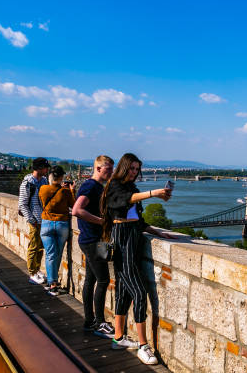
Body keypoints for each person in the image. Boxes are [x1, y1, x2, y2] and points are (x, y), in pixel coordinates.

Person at [100, 153, 176, 365]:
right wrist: (153, 193)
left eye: (136, 169)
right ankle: (143, 346)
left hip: (133, 236)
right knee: (140, 294)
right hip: (122, 239)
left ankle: (118, 338)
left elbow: (137, 219)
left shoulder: (132, 188)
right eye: (131, 168)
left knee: (124, 292)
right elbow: (124, 202)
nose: (134, 172)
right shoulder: (114, 185)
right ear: (124, 168)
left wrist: (158, 232)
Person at [72, 155, 115, 338]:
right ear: (98, 168)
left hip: (91, 239)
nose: (111, 173)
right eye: (108, 170)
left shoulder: (97, 186)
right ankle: (99, 322)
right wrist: (102, 222)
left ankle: (89, 321)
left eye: (112, 170)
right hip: (92, 240)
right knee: (103, 280)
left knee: (91, 280)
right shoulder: (90, 186)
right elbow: (77, 210)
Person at [38, 166, 76, 296]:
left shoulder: (43, 189)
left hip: (46, 224)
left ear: (50, 176)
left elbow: (42, 201)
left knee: (50, 254)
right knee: (57, 254)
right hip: (62, 224)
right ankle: (53, 282)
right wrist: (71, 191)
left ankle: (52, 283)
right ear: (61, 178)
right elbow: (73, 205)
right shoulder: (65, 191)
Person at [18, 157, 50, 285]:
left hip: (43, 219)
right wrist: (31, 220)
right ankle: (32, 273)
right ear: (39, 168)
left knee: (40, 247)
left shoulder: (44, 181)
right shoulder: (27, 183)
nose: (47, 170)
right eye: (45, 167)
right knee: (33, 246)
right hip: (35, 220)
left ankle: (36, 270)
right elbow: (22, 204)